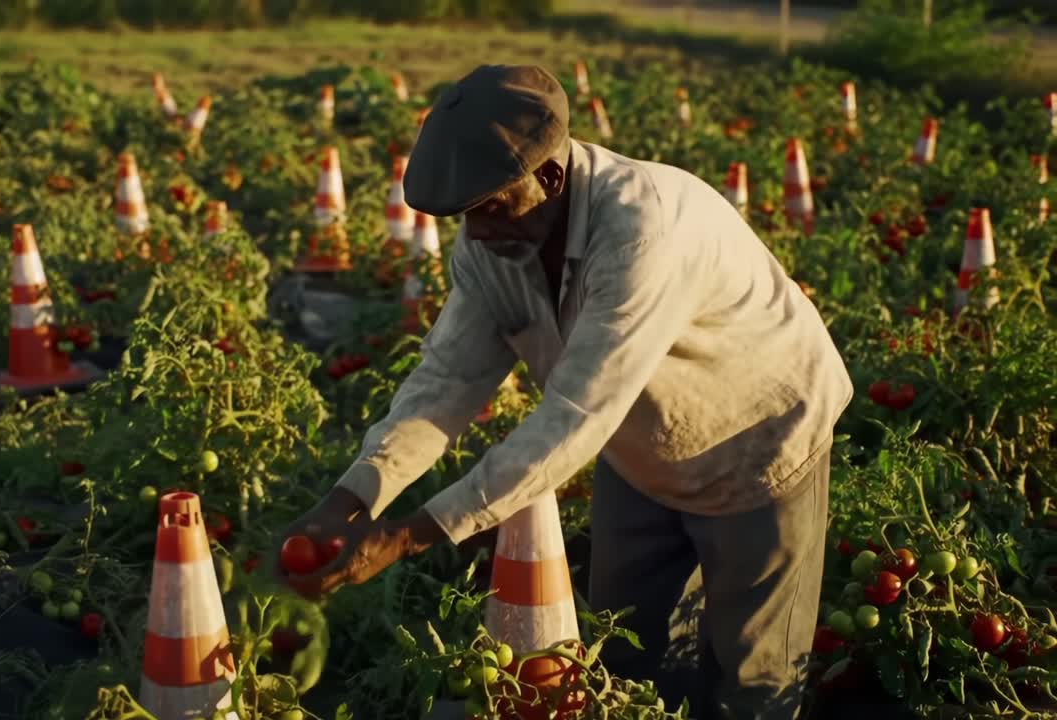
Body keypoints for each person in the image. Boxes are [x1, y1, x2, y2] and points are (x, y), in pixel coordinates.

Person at [274, 64, 854, 720]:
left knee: (750, 678)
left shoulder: (640, 231)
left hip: (758, 438)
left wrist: (409, 537)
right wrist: (350, 497)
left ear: (548, 177)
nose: (479, 234)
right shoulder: (492, 241)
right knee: (625, 649)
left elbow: (576, 414)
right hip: (639, 447)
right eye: (466, 218)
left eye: (489, 209)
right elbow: (447, 380)